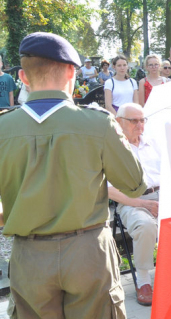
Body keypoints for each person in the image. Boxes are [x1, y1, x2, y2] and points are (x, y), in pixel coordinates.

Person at [0, 32, 145, 317]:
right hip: (88, 252)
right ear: (72, 73)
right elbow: (134, 184)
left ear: (23, 77)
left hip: (29, 255)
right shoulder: (98, 123)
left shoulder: (3, 127)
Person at [108, 103, 171, 306]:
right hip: (131, 200)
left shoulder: (154, 143)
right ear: (119, 122)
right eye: (133, 121)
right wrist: (141, 203)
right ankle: (143, 280)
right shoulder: (112, 149)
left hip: (163, 196)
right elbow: (109, 189)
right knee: (145, 225)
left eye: (142, 120)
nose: (139, 125)